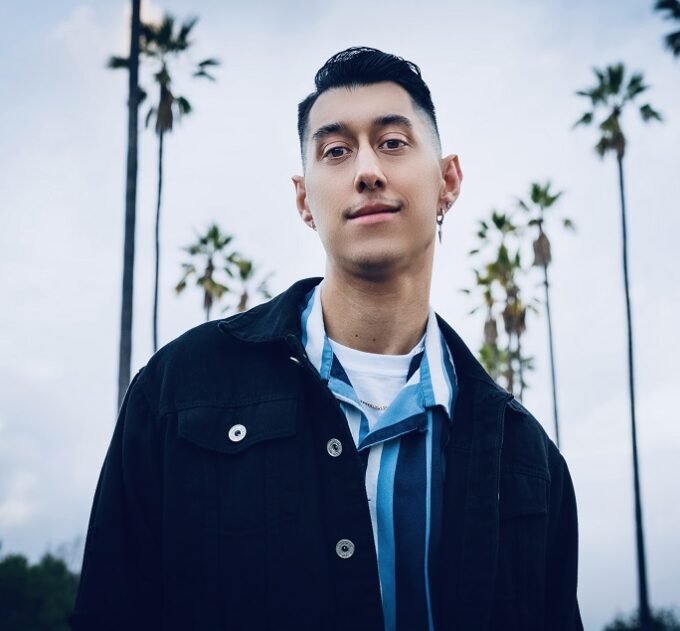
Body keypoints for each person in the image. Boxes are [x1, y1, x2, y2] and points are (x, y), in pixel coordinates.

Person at [70, 46, 583, 631]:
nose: (367, 171)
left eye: (393, 142)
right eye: (335, 151)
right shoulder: (178, 390)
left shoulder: (529, 461)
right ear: (303, 200)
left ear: (448, 181)